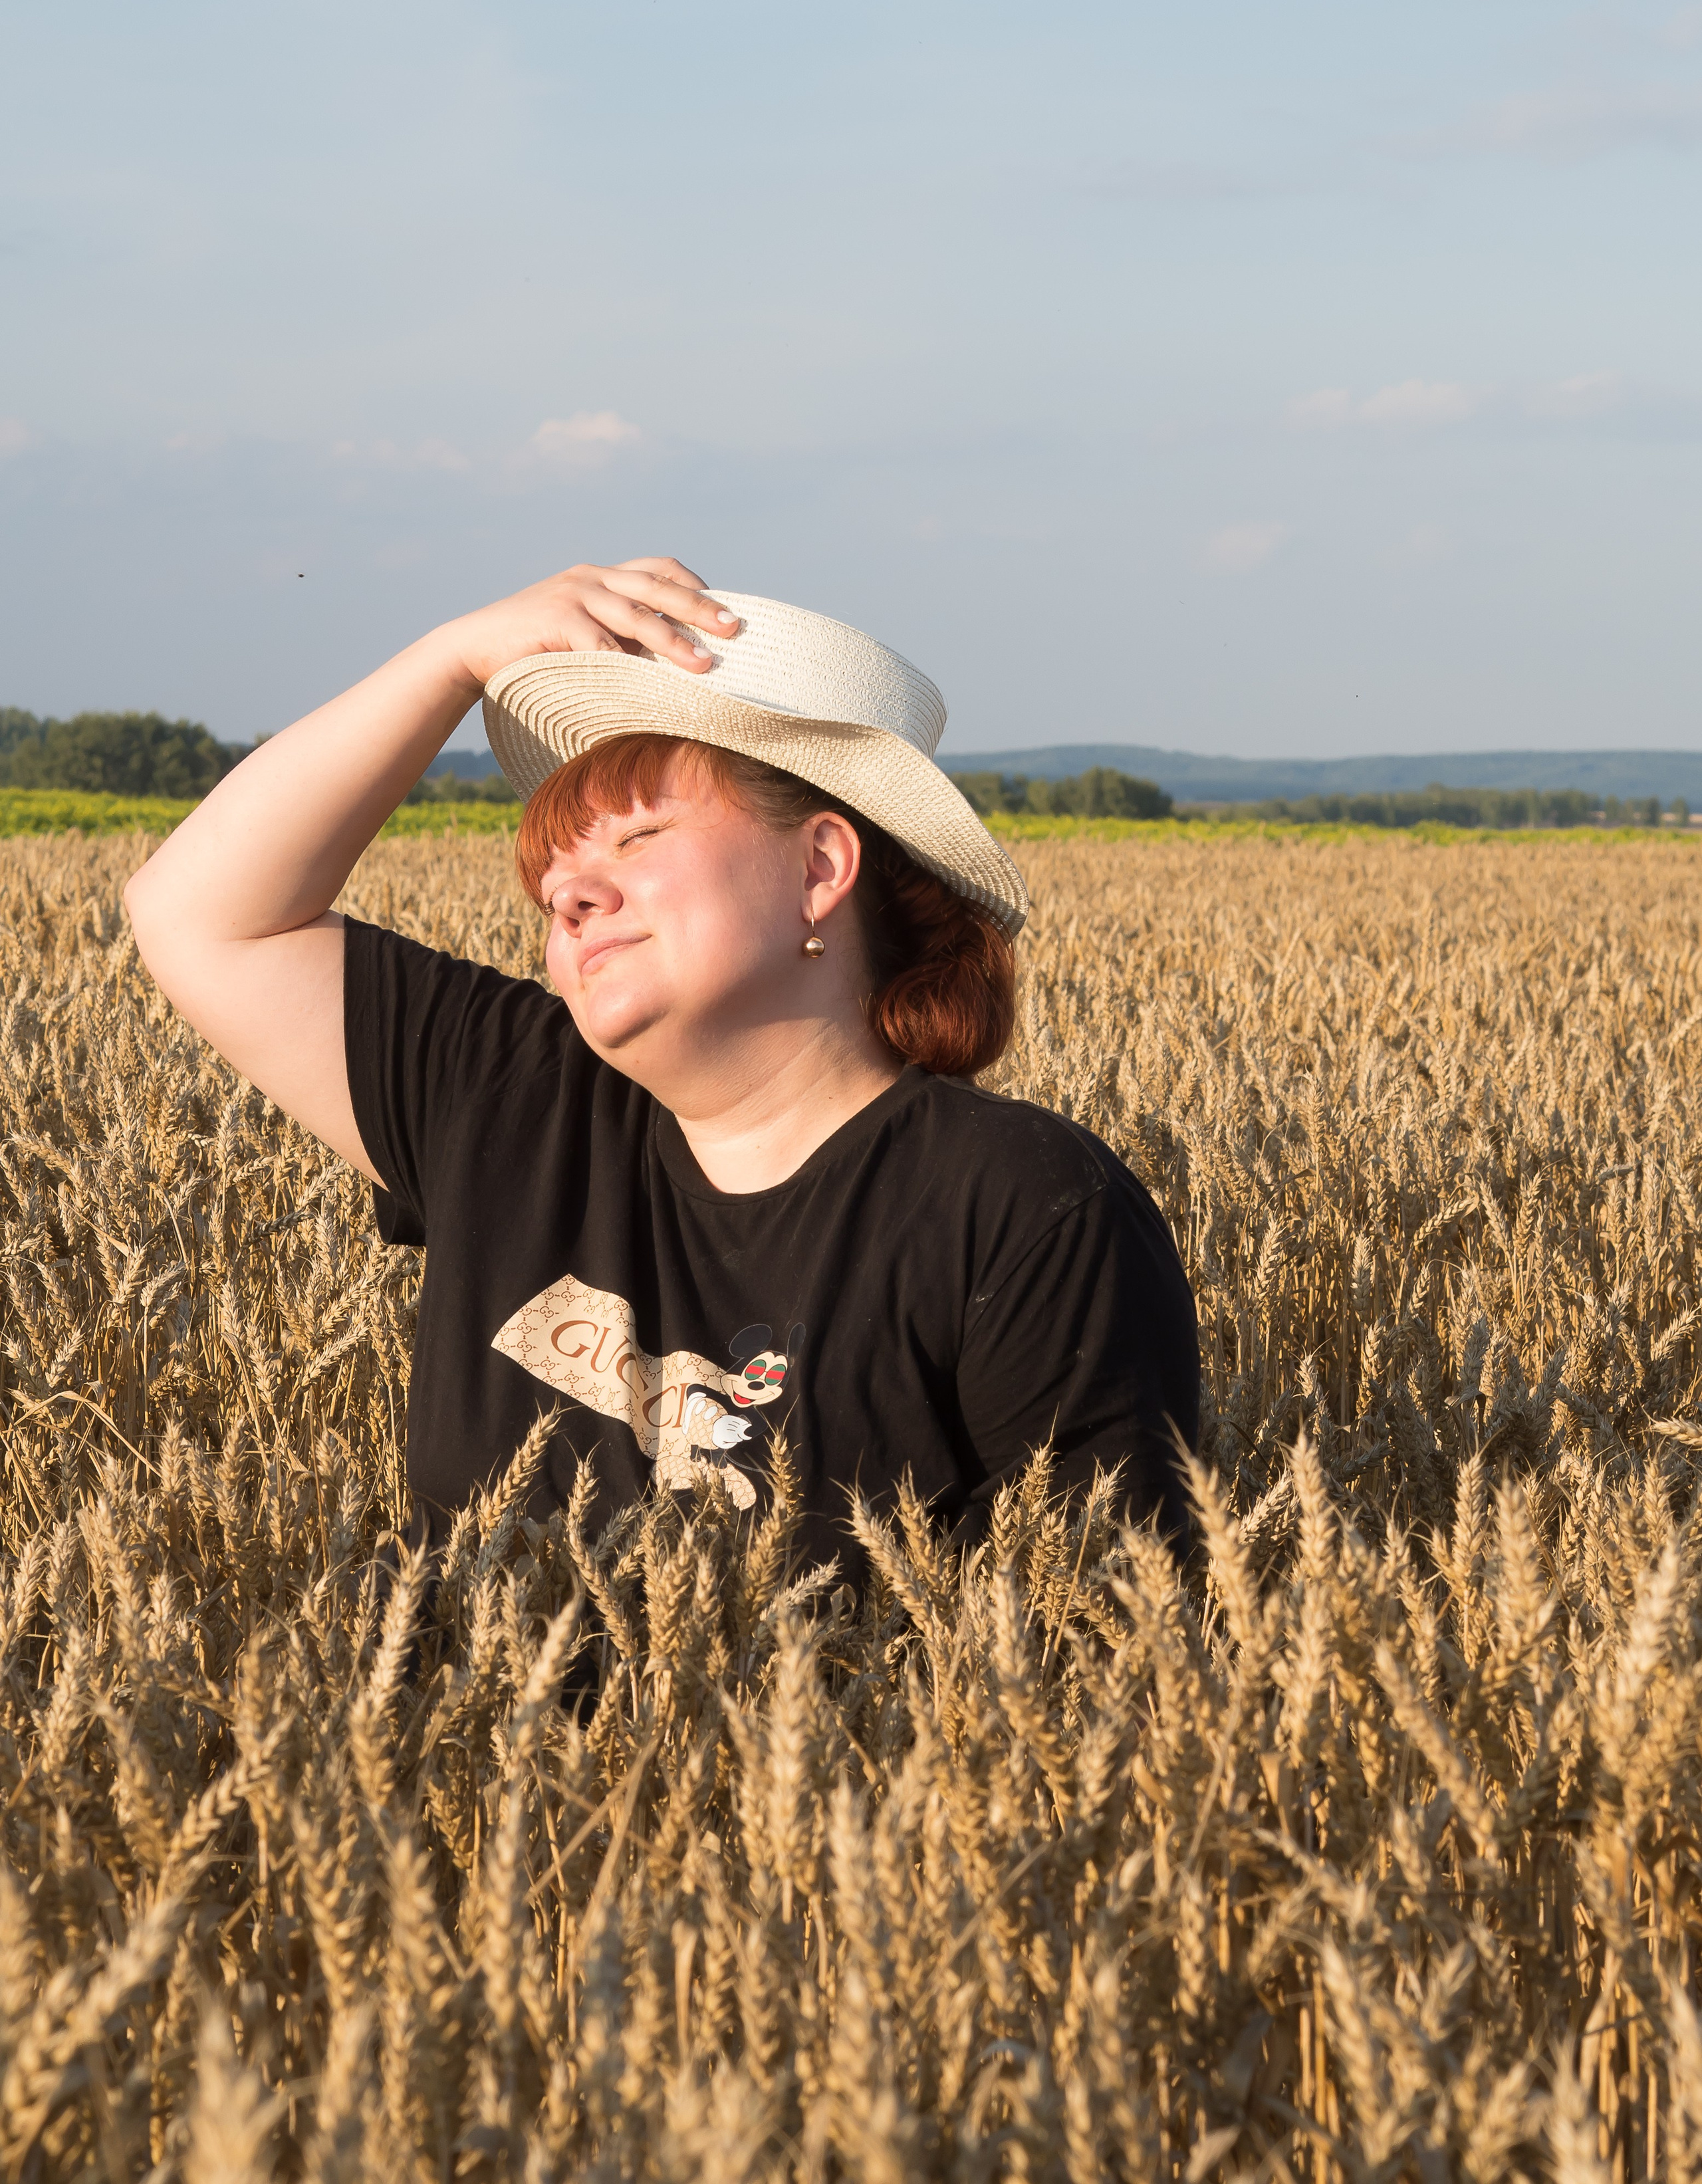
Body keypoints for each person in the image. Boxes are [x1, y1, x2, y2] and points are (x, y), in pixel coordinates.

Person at [124, 557, 1198, 1574]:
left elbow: (1097, 1657)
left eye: (635, 841)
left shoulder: (1024, 1210)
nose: (569, 894)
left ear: (821, 866)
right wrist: (452, 658)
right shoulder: (507, 1094)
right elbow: (198, 914)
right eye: (557, 871)